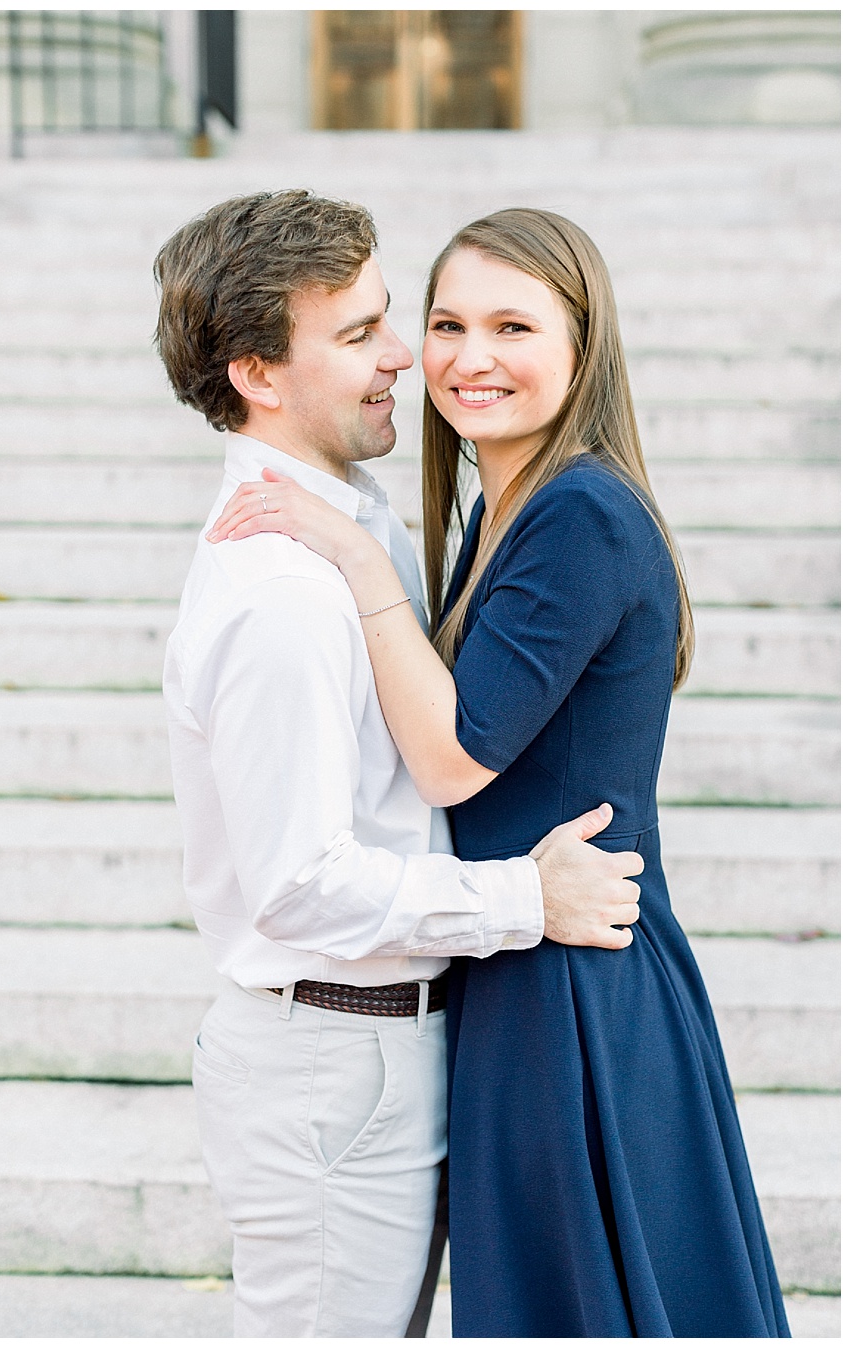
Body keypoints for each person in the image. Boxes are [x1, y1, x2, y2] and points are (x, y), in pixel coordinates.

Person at [208, 207, 788, 1336]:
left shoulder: (580, 516)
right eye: (448, 325)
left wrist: (357, 552)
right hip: (521, 961)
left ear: (583, 343)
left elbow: (449, 757)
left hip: (575, 983)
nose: (471, 358)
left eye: (513, 326)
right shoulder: (507, 507)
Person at [153, 190, 645, 1338]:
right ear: (258, 374)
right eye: (359, 332)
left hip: (380, 1047)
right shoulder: (280, 593)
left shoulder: (352, 523)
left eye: (389, 318)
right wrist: (526, 898)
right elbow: (300, 882)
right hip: (333, 1064)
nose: (404, 358)